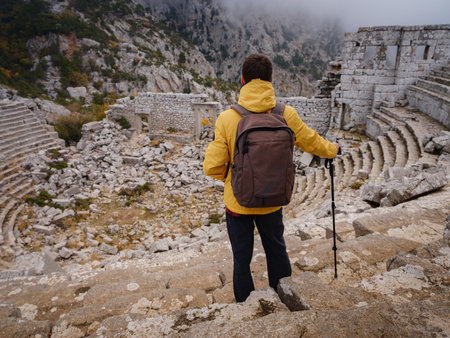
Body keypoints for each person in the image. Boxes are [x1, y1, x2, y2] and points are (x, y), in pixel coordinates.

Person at [203, 54, 339, 302]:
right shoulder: (286, 114)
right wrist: (333, 150)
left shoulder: (227, 118)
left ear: (242, 80)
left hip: (238, 203)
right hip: (273, 198)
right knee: (276, 248)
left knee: (241, 257)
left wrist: (233, 177)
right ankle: (286, 296)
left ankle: (246, 304)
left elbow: (211, 166)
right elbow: (311, 141)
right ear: (271, 80)